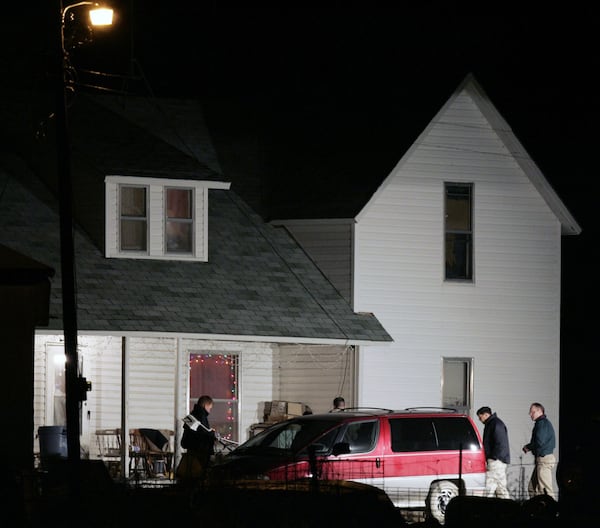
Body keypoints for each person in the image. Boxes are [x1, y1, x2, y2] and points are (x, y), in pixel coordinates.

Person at [523, 402, 556, 498]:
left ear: (539, 411)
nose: (530, 414)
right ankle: (537, 508)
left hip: (544, 459)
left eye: (532, 412)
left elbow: (539, 441)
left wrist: (528, 447)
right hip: (542, 459)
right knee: (532, 488)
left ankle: (552, 510)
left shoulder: (541, 423)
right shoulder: (542, 423)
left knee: (545, 488)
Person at [179, 395, 216, 481]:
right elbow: (202, 434)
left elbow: (191, 432)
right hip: (200, 453)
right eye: (210, 408)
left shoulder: (191, 415)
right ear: (206, 405)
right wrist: (212, 434)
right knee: (199, 476)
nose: (210, 411)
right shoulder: (201, 416)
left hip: (190, 450)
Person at [476, 406, 511, 499]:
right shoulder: (495, 423)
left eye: (480, 417)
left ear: (486, 414)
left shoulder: (494, 424)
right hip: (499, 459)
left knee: (489, 486)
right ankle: (508, 509)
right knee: (501, 488)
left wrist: (492, 457)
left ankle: (487, 508)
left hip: (496, 460)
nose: (480, 420)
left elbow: (500, 443)